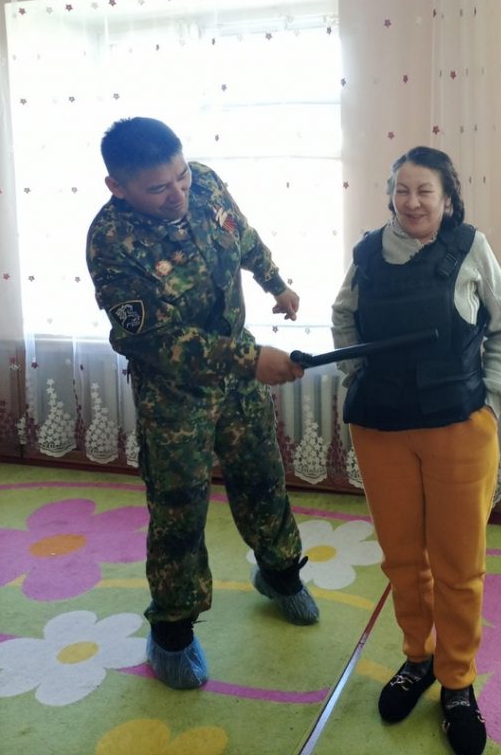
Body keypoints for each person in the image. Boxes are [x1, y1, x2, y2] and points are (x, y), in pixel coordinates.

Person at [86, 117, 318, 691]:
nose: (178, 195)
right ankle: (172, 630)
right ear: (118, 186)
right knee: (179, 509)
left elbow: (242, 235)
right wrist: (250, 359)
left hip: (239, 379)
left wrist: (275, 283)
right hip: (175, 394)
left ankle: (280, 573)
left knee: (263, 477)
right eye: (158, 188)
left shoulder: (206, 183)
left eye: (182, 177)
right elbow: (154, 340)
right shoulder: (111, 242)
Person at [331, 146, 501, 755]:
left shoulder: (470, 247)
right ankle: (419, 658)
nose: (412, 202)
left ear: (447, 197)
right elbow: (343, 318)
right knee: (402, 560)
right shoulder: (367, 253)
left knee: (459, 565)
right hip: (381, 429)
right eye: (402, 190)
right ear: (390, 194)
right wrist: (356, 379)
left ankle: (457, 680)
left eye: (425, 191)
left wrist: (491, 401)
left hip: (458, 427)